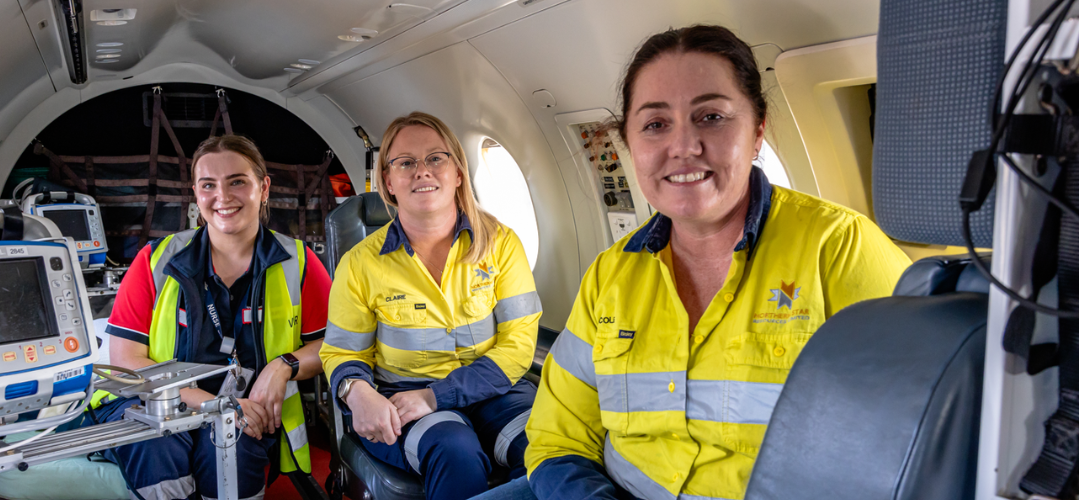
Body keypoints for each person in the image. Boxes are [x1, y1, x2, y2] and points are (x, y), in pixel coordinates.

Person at [479, 25, 912, 500]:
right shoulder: (609, 275)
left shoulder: (840, 249)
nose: (683, 145)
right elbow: (556, 435)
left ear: (758, 129)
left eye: (710, 116)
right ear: (629, 141)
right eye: (656, 124)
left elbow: (912, 448)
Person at [93, 135, 332, 500]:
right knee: (158, 448)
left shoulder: (298, 262)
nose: (223, 196)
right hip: (155, 403)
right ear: (196, 193)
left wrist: (283, 366)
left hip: (244, 413)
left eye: (237, 181)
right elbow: (126, 363)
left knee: (232, 446)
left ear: (263, 188)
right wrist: (212, 404)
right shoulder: (154, 261)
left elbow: (334, 344)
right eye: (209, 185)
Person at [319, 112, 542, 500]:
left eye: (436, 158)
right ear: (388, 181)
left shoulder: (502, 244)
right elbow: (341, 352)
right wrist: (358, 392)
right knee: (455, 452)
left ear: (458, 172)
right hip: (403, 395)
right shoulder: (360, 264)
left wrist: (437, 396)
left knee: (549, 447)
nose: (422, 171)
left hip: (496, 390)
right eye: (405, 163)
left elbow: (519, 345)